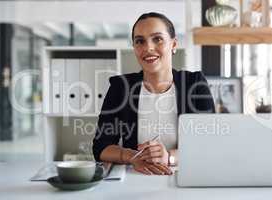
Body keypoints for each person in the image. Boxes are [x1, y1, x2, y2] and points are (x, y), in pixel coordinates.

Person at [92, 12, 215, 175]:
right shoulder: (120, 87)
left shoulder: (195, 84)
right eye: (140, 41)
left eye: (157, 39)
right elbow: (101, 147)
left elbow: (210, 144)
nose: (148, 48)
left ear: (173, 44)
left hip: (185, 176)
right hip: (136, 179)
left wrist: (169, 157)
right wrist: (132, 156)